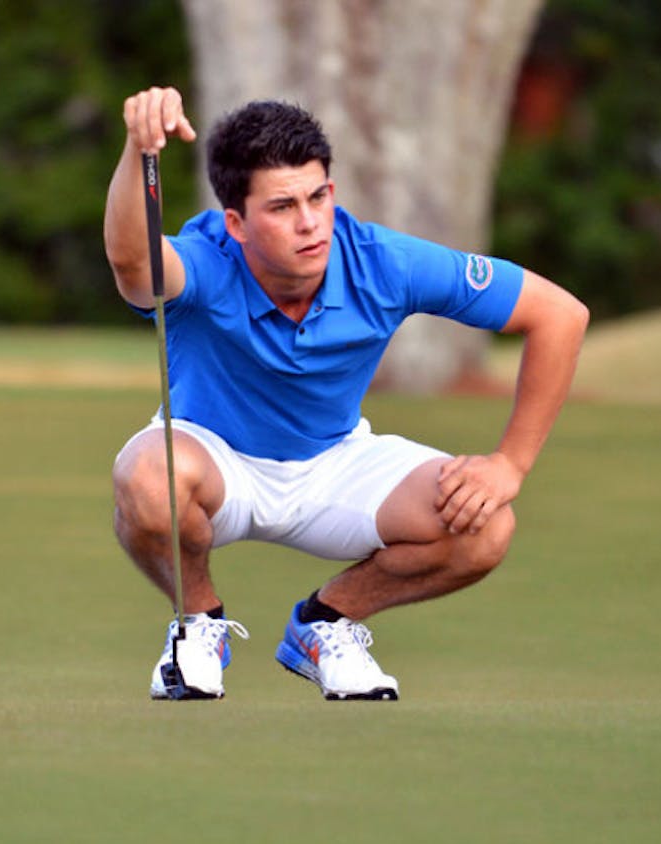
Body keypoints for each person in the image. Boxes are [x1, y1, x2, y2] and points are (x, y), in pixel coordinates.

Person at [104, 86, 589, 701]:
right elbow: (134, 264)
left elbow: (559, 315)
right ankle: (198, 624)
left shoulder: (383, 262)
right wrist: (138, 149)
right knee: (147, 477)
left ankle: (326, 624)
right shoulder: (207, 259)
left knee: (485, 526)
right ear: (237, 223)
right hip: (214, 458)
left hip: (334, 461)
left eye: (318, 197)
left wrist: (510, 464)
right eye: (282, 207)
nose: (310, 223)